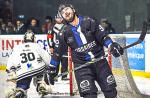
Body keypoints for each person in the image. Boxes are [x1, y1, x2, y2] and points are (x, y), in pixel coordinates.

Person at [49, 4, 124, 98]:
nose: (66, 13)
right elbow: (57, 53)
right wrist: (52, 68)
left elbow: (103, 37)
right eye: (63, 12)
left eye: (67, 9)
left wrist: (111, 45)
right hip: (82, 67)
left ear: (73, 9)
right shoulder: (63, 32)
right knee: (89, 95)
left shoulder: (89, 21)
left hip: (100, 63)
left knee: (111, 92)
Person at [6, 31, 52, 98]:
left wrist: (11, 71)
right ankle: (40, 84)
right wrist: (50, 68)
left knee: (22, 87)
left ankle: (20, 91)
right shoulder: (37, 46)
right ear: (33, 39)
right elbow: (48, 59)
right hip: (37, 69)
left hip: (23, 71)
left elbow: (11, 61)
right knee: (42, 65)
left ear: (24, 39)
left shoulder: (17, 47)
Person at [47, 13, 69, 85]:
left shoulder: (66, 26)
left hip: (65, 47)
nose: (59, 19)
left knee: (65, 62)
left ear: (62, 19)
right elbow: (49, 37)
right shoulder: (52, 27)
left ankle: (64, 76)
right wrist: (51, 47)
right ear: (55, 18)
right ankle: (54, 76)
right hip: (56, 47)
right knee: (56, 62)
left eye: (60, 18)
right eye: (58, 18)